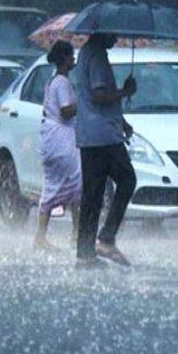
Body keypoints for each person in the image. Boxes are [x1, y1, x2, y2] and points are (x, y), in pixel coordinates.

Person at [73, 32, 137, 267]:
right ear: (103, 32)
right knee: (128, 180)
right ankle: (106, 238)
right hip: (103, 136)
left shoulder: (86, 54)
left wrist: (123, 122)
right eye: (114, 33)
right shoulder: (97, 56)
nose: (117, 37)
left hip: (90, 135)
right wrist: (125, 92)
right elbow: (99, 95)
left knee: (92, 195)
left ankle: (85, 252)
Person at [34, 40, 81, 250]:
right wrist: (83, 102)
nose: (74, 60)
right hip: (62, 141)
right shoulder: (62, 82)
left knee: (51, 186)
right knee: (77, 184)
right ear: (64, 59)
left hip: (51, 140)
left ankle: (40, 236)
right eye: (71, 56)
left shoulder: (52, 81)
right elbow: (66, 111)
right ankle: (76, 233)